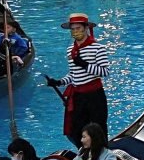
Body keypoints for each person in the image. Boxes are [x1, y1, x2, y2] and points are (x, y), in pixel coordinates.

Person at [48, 14, 112, 149]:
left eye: (78, 28)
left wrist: (85, 64)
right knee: (77, 130)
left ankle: (103, 157)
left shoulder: (98, 48)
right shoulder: (70, 50)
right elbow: (73, 75)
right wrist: (59, 82)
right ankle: (85, 154)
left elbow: (105, 72)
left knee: (98, 128)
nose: (75, 31)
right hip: (78, 97)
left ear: (86, 29)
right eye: (73, 29)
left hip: (95, 95)